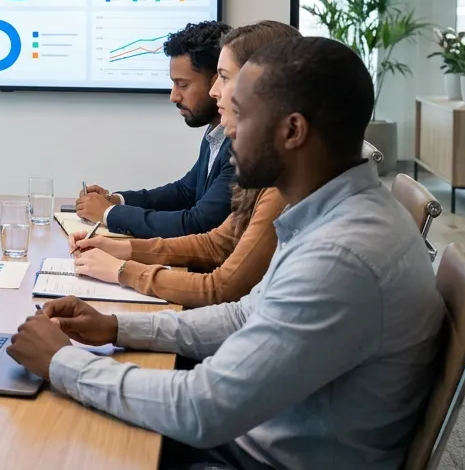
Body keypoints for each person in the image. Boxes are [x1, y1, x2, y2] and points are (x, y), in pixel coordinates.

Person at [6, 37, 444, 470]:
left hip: (254, 458)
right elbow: (243, 316)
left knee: (41, 440)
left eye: (239, 115)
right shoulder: (331, 214)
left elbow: (202, 409)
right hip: (256, 436)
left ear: (293, 131)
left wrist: (63, 363)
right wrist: (115, 326)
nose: (228, 130)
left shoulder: (341, 255)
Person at [69, 21, 298, 308]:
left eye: (224, 78)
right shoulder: (248, 154)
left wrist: (121, 266)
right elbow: (215, 241)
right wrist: (123, 247)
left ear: (267, 89)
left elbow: (220, 286)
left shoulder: (278, 181)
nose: (216, 92)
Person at [77, 20, 234, 238]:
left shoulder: (241, 145)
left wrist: (109, 214)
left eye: (183, 84)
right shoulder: (215, 133)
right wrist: (116, 200)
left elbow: (198, 223)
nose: (174, 96)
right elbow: (185, 192)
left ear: (218, 81)